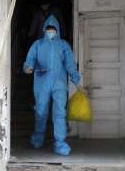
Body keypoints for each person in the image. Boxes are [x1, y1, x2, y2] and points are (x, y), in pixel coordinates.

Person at [23, 14, 83, 156]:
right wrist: (28, 68)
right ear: (44, 30)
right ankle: (38, 138)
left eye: (53, 29)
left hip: (59, 83)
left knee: (59, 113)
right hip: (41, 82)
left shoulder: (63, 45)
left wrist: (77, 81)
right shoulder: (37, 45)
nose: (51, 31)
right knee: (41, 110)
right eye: (48, 29)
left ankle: (60, 143)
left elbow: (70, 65)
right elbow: (29, 60)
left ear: (57, 30)